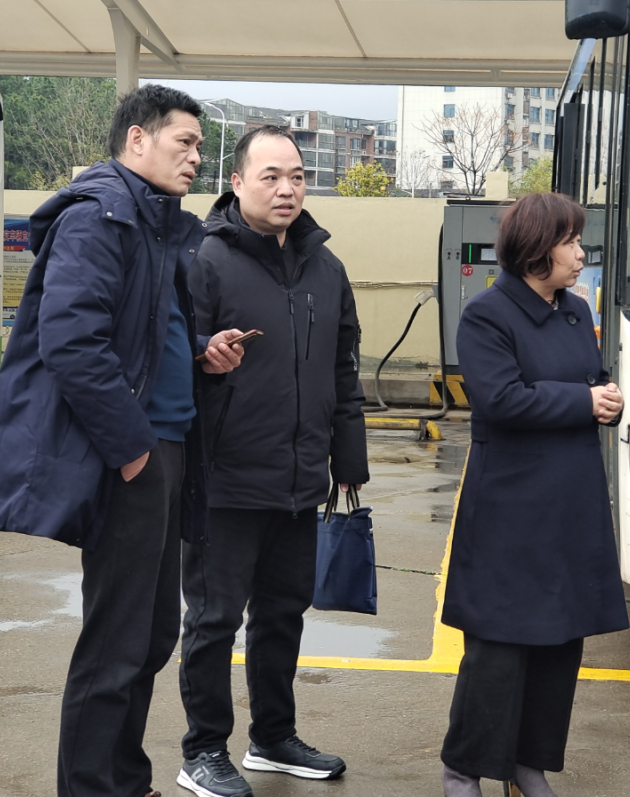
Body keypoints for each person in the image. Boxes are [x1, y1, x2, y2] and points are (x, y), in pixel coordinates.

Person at [0, 85, 245, 797]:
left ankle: (124, 780)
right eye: (184, 142)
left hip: (168, 446)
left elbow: (144, 329)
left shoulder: (155, 223)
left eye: (198, 145)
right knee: (116, 639)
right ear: (137, 139)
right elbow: (72, 342)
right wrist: (132, 453)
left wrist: (200, 351)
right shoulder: (99, 216)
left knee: (153, 633)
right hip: (136, 452)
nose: (195, 157)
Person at [176, 125, 369, 797]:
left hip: (299, 480)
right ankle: (203, 749)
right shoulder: (204, 260)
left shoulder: (326, 268)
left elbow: (343, 369)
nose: (287, 188)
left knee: (284, 612)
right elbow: (171, 353)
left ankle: (273, 737)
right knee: (213, 620)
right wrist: (203, 352)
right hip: (223, 480)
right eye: (271, 176)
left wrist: (347, 460)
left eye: (297, 176)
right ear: (236, 183)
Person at [439, 192, 630, 797]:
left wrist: (605, 395)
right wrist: (583, 401)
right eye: (570, 242)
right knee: (498, 645)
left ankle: (529, 762)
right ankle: (464, 766)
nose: (581, 253)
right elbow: (500, 399)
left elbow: (585, 380)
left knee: (559, 639)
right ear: (536, 250)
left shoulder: (575, 309)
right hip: (511, 506)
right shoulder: (487, 315)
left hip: (569, 500)